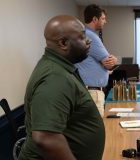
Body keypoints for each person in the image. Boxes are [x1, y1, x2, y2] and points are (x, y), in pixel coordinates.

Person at [19, 15, 105, 160]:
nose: (88, 40)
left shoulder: (59, 68)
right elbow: (46, 138)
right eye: (82, 37)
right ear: (64, 43)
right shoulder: (54, 77)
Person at [76, 4, 117, 116]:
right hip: (92, 93)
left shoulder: (82, 34)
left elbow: (90, 62)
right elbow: (109, 64)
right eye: (103, 18)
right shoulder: (91, 36)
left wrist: (105, 69)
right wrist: (114, 60)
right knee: (96, 131)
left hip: (85, 91)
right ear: (95, 19)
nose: (105, 21)